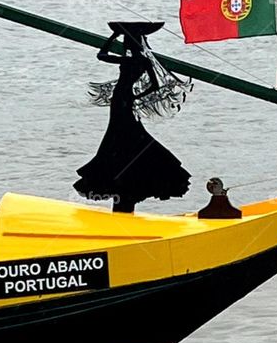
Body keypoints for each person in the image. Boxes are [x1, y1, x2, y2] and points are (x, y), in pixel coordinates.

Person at [73, 22, 191, 212]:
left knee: (119, 136)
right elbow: (154, 85)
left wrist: (114, 36)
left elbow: (101, 55)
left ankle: (123, 181)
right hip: (126, 100)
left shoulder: (128, 60)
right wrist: (136, 97)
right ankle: (126, 183)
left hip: (120, 100)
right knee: (125, 135)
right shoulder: (143, 60)